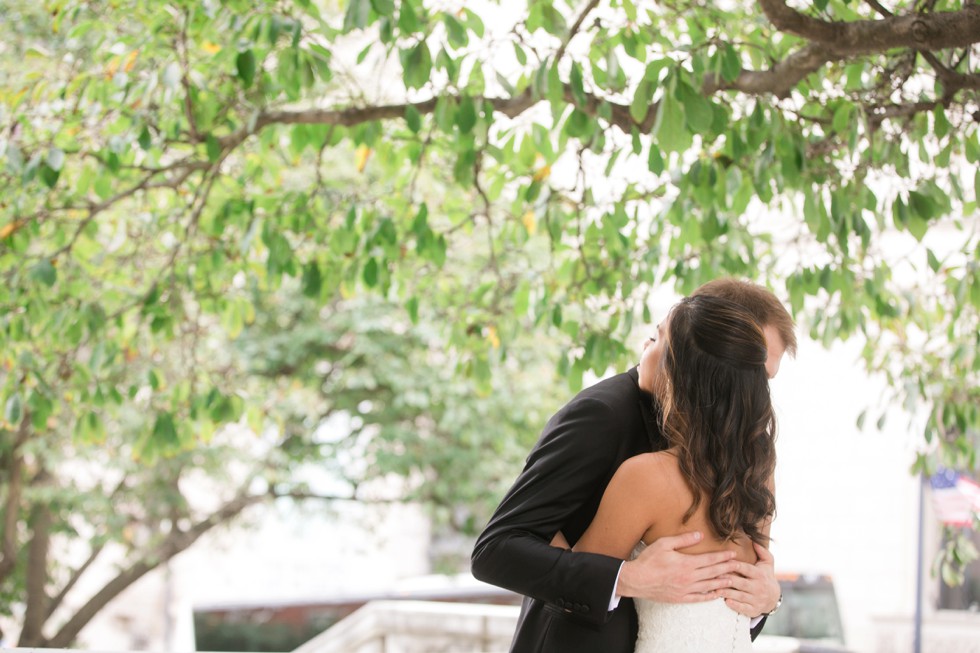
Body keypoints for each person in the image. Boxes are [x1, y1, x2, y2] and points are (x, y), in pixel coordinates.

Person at [471, 278, 796, 653]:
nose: (749, 389)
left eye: (759, 376)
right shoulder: (602, 414)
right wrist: (625, 578)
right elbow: (497, 548)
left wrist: (765, 599)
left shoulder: (751, 459)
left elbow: (721, 610)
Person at [566, 293, 776, 652]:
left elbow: (576, 585)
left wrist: (542, 530)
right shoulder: (759, 471)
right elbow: (748, 592)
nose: (650, 349)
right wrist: (773, 597)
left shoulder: (646, 477)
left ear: (682, 379)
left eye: (662, 343)